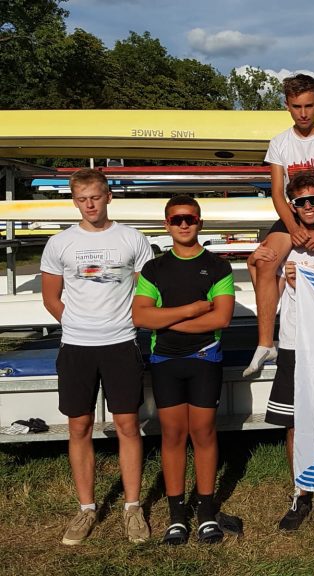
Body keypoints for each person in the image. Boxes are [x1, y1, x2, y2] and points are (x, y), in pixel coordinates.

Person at [40, 168, 153, 545]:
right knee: (79, 427)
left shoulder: (133, 239)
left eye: (96, 197)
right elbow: (51, 297)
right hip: (76, 347)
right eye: (82, 199)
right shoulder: (60, 243)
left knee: (127, 425)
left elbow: (145, 292)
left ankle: (133, 507)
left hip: (122, 343)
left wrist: (120, 322)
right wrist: (77, 323)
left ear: (108, 197)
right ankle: (86, 509)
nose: (89, 205)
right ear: (74, 201)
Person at [132, 195, 235, 545]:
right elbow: (140, 316)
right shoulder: (154, 269)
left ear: (200, 223)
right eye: (177, 219)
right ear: (167, 225)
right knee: (173, 435)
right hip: (166, 361)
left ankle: (205, 512)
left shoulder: (218, 267)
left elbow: (221, 318)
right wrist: (192, 310)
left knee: (203, 432)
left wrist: (166, 321)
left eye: (190, 218)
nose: (184, 224)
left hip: (205, 358)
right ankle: (177, 516)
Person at [249, 171, 314, 531]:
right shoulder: (284, 244)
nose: (308, 207)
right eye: (301, 202)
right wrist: (252, 263)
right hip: (292, 342)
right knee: (294, 424)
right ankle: (301, 492)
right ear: (292, 207)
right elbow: (266, 286)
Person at [244, 73, 314, 377]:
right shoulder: (280, 143)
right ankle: (266, 341)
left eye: (309, 106)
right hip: (294, 210)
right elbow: (278, 192)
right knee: (265, 261)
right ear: (287, 106)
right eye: (297, 106)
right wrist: (292, 225)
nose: (303, 113)